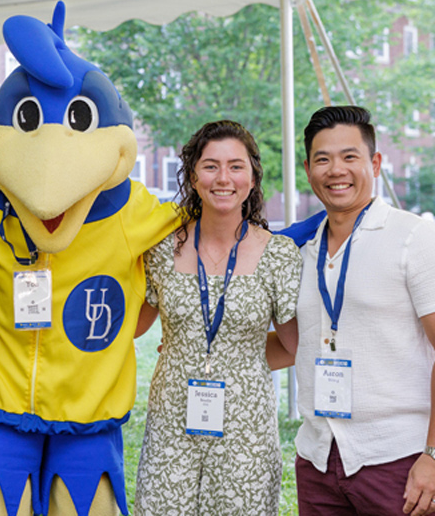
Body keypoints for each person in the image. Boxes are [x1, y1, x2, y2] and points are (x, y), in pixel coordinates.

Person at [133, 120, 301, 515]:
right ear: (192, 176)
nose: (223, 178)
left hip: (247, 433)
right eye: (210, 166)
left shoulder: (279, 254)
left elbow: (293, 346)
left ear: (253, 176)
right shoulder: (160, 250)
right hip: (171, 425)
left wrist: (234, 359)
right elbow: (132, 326)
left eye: (236, 166)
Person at [292, 106, 435, 516]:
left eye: (349, 157)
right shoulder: (303, 250)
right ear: (308, 169)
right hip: (317, 459)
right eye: (323, 159)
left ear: (374, 162)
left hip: (398, 459)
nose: (336, 170)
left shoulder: (413, 237)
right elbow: (295, 344)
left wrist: (433, 455)